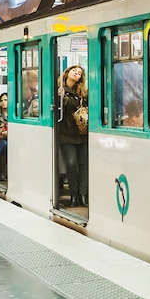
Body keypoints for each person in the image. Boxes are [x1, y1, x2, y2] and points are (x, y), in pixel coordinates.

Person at [57, 65, 89, 207]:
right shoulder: (59, 88)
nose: (77, 73)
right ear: (68, 72)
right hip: (66, 133)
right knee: (71, 164)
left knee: (84, 165)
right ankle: (73, 195)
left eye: (80, 73)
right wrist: (60, 97)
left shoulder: (82, 92)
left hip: (82, 133)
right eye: (74, 71)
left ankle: (83, 195)